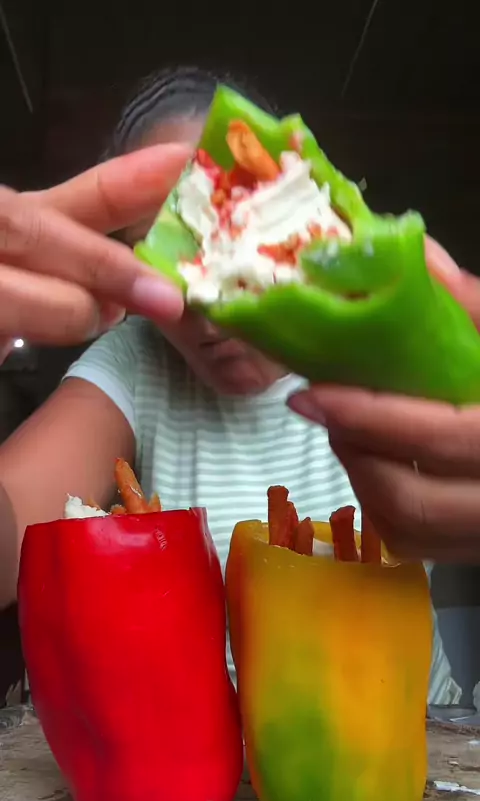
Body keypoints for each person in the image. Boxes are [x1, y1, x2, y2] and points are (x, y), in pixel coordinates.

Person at [0, 65, 473, 704]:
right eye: (166, 254)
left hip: (427, 739)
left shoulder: (392, 336)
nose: (206, 306)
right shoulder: (133, 362)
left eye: (231, 237)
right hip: (205, 752)